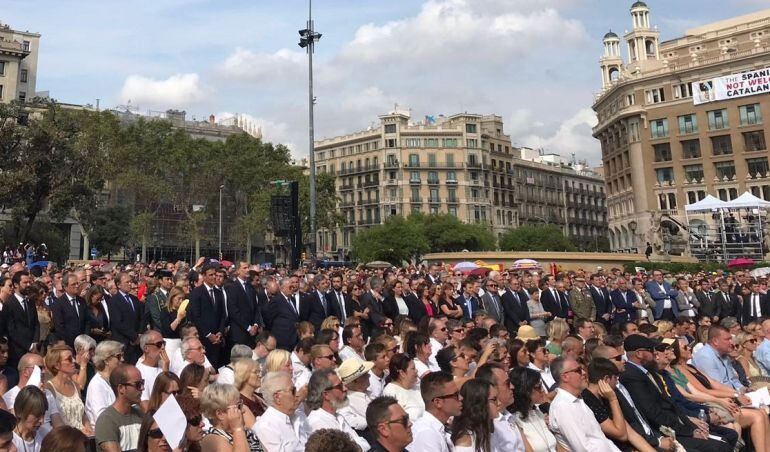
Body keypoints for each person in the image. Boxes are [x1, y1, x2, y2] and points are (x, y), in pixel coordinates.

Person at [621, 334, 732, 452]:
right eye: (652, 351)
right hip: (663, 431)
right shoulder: (632, 376)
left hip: (677, 423)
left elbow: (671, 404)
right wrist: (688, 430)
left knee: (726, 438)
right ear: (639, 353)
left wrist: (690, 424)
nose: (655, 354)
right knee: (719, 445)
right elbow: (653, 412)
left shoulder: (649, 372)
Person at [549, 356, 621, 451]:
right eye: (578, 370)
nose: (584, 373)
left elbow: (600, 438)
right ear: (565, 377)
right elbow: (583, 448)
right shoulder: (563, 406)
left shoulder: (579, 400)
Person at [306, 368, 370, 451]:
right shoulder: (317, 423)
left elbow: (363, 443)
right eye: (339, 386)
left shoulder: (338, 417)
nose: (345, 388)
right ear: (326, 395)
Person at [253, 371, 311, 451]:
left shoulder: (298, 416)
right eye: (293, 390)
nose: (296, 395)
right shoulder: (266, 427)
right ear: (277, 397)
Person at [94, 364, 144, 452]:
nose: (142, 388)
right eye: (138, 384)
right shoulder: (106, 421)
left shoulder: (141, 415)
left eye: (142, 383)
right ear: (121, 388)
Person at [200, 383, 263, 452]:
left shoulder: (246, 432)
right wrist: (237, 429)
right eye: (238, 406)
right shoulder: (212, 439)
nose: (243, 410)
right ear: (220, 414)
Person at [408, 371, 461, 452]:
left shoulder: (436, 428)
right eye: (455, 395)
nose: (461, 398)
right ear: (438, 402)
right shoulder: (427, 433)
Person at [187, 264, 227, 368]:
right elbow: (196, 316)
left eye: (215, 274)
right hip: (203, 338)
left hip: (217, 339)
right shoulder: (197, 292)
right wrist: (208, 334)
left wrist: (220, 332)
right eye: (211, 275)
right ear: (204, 276)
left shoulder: (218, 293)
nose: (214, 277)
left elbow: (222, 314)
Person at [45, 344, 91, 435]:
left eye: (73, 357)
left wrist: (88, 428)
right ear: (57, 365)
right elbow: (52, 422)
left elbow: (82, 415)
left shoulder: (75, 385)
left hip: (83, 438)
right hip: (64, 439)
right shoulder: (49, 388)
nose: (74, 361)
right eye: (69, 359)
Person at [691, 325, 746, 390]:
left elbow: (733, 380)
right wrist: (738, 394)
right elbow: (717, 386)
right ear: (715, 341)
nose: (731, 342)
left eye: (731, 339)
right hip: (719, 397)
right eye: (727, 339)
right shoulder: (705, 356)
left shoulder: (724, 354)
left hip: (733, 394)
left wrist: (743, 389)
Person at [85, 340, 124, 430]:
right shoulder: (97, 385)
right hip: (106, 434)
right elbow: (101, 417)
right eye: (118, 356)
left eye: (122, 356)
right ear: (106, 360)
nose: (122, 359)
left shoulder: (116, 380)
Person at [107, 272, 145, 364]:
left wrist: (139, 334)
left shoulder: (134, 299)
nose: (130, 284)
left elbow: (141, 317)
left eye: (130, 281)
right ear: (119, 285)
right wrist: (134, 337)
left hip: (137, 344)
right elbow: (118, 322)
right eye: (127, 282)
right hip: (123, 342)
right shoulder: (114, 301)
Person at [450, 379, 497, 452]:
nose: (499, 403)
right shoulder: (465, 443)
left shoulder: (485, 432)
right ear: (479, 403)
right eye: (494, 399)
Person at [226, 262, 264, 349]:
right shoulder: (232, 287)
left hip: (253, 333)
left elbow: (256, 308)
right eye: (245, 268)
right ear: (238, 271)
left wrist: (255, 324)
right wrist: (248, 327)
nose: (247, 270)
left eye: (248, 268)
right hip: (240, 333)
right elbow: (233, 311)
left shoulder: (250, 287)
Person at [7, 271, 40, 367]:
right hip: (17, 352)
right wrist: (28, 346)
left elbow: (36, 324)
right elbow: (11, 330)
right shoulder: (9, 304)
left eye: (29, 282)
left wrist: (34, 343)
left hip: (33, 349)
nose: (28, 285)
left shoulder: (30, 302)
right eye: (25, 283)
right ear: (16, 285)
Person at [382, 354, 424, 421]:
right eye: (413, 368)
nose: (416, 371)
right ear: (402, 373)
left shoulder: (417, 386)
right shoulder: (390, 391)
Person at [337, 358, 374, 434]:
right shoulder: (346, 403)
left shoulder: (369, 393)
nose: (369, 375)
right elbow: (348, 420)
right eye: (365, 374)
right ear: (356, 380)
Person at [51, 273, 89, 348]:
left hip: (84, 343)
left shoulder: (82, 301)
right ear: (65, 287)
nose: (77, 286)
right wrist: (73, 343)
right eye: (73, 284)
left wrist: (85, 339)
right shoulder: (58, 304)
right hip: (69, 344)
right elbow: (60, 327)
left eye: (77, 283)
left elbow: (87, 321)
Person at [135, 330, 169, 412]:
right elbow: (145, 406)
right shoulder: (139, 372)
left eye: (164, 343)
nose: (163, 347)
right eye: (159, 344)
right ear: (146, 348)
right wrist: (165, 374)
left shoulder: (164, 365)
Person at [263, 278, 300, 351]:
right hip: (282, 340)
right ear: (282, 287)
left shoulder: (292, 299)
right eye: (290, 287)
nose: (292, 288)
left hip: (294, 338)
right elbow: (268, 319)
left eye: (293, 287)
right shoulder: (276, 301)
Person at [12, 386, 48, 452]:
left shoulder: (44, 435)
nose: (42, 420)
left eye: (43, 414)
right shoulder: (10, 443)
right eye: (37, 415)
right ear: (21, 412)